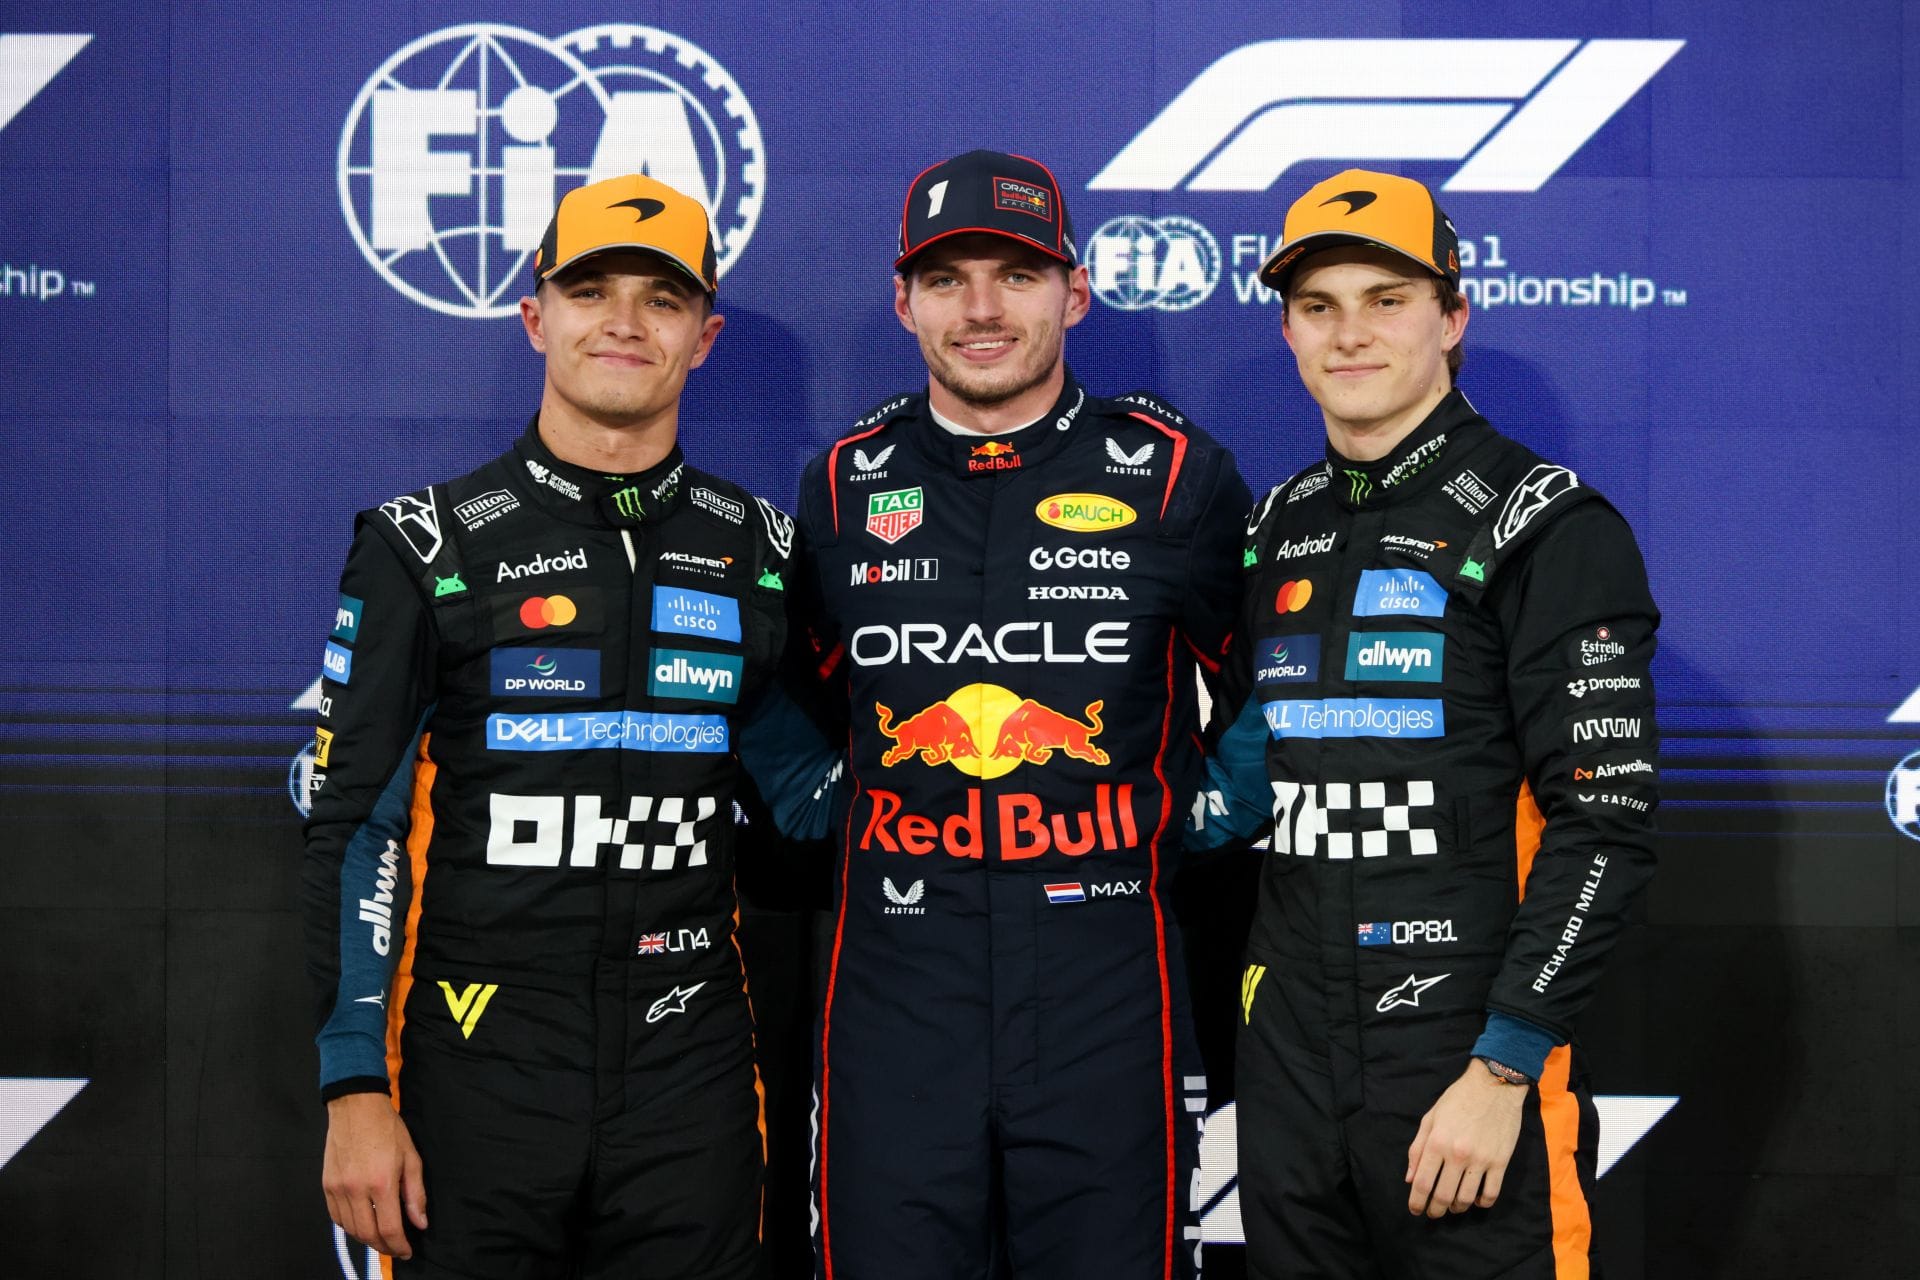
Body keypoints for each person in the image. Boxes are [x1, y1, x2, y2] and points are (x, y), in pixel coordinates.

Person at [302, 172, 795, 1277]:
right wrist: (354, 1087)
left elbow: (807, 791)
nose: (623, 322)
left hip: (691, 1065)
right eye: (590, 291)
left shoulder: (761, 549)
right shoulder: (421, 544)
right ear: (536, 317)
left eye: (661, 299)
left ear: (704, 337)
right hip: (476, 1065)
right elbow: (354, 827)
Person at [782, 148, 1251, 1280]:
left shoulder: (1178, 474)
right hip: (898, 981)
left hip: (1103, 976)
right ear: (904, 304)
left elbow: (1273, 693)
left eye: (1017, 274)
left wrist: (1196, 813)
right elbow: (787, 700)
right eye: (948, 280)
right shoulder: (844, 480)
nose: (982, 309)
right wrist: (828, 804)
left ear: (1074, 292)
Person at [1191, 169, 1659, 1278]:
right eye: (1319, 305)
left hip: (1457, 1051)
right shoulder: (1275, 526)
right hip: (1292, 1060)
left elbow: (1606, 825)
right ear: (1291, 331)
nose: (1350, 334)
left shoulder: (1547, 523)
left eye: (1386, 298)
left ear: (1453, 316)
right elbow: (1253, 771)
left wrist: (1502, 1069)